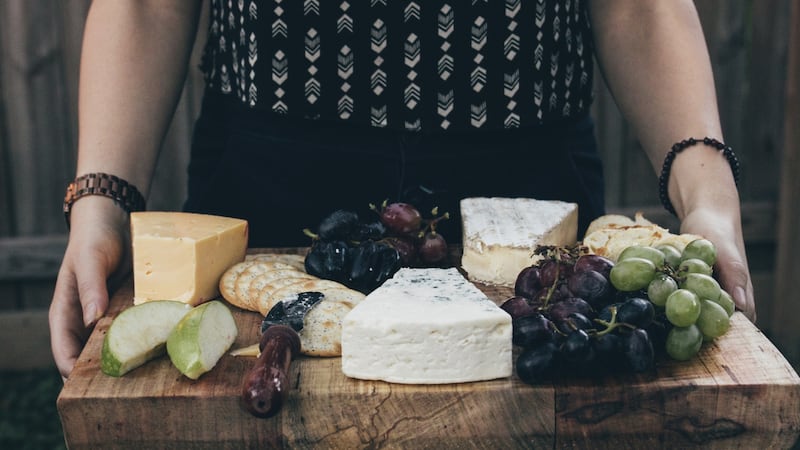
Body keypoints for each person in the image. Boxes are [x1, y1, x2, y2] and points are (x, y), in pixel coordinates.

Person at [50, 0, 755, 379]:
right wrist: (100, 202)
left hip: (525, 196)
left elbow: (640, 7)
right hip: (269, 183)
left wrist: (708, 197)